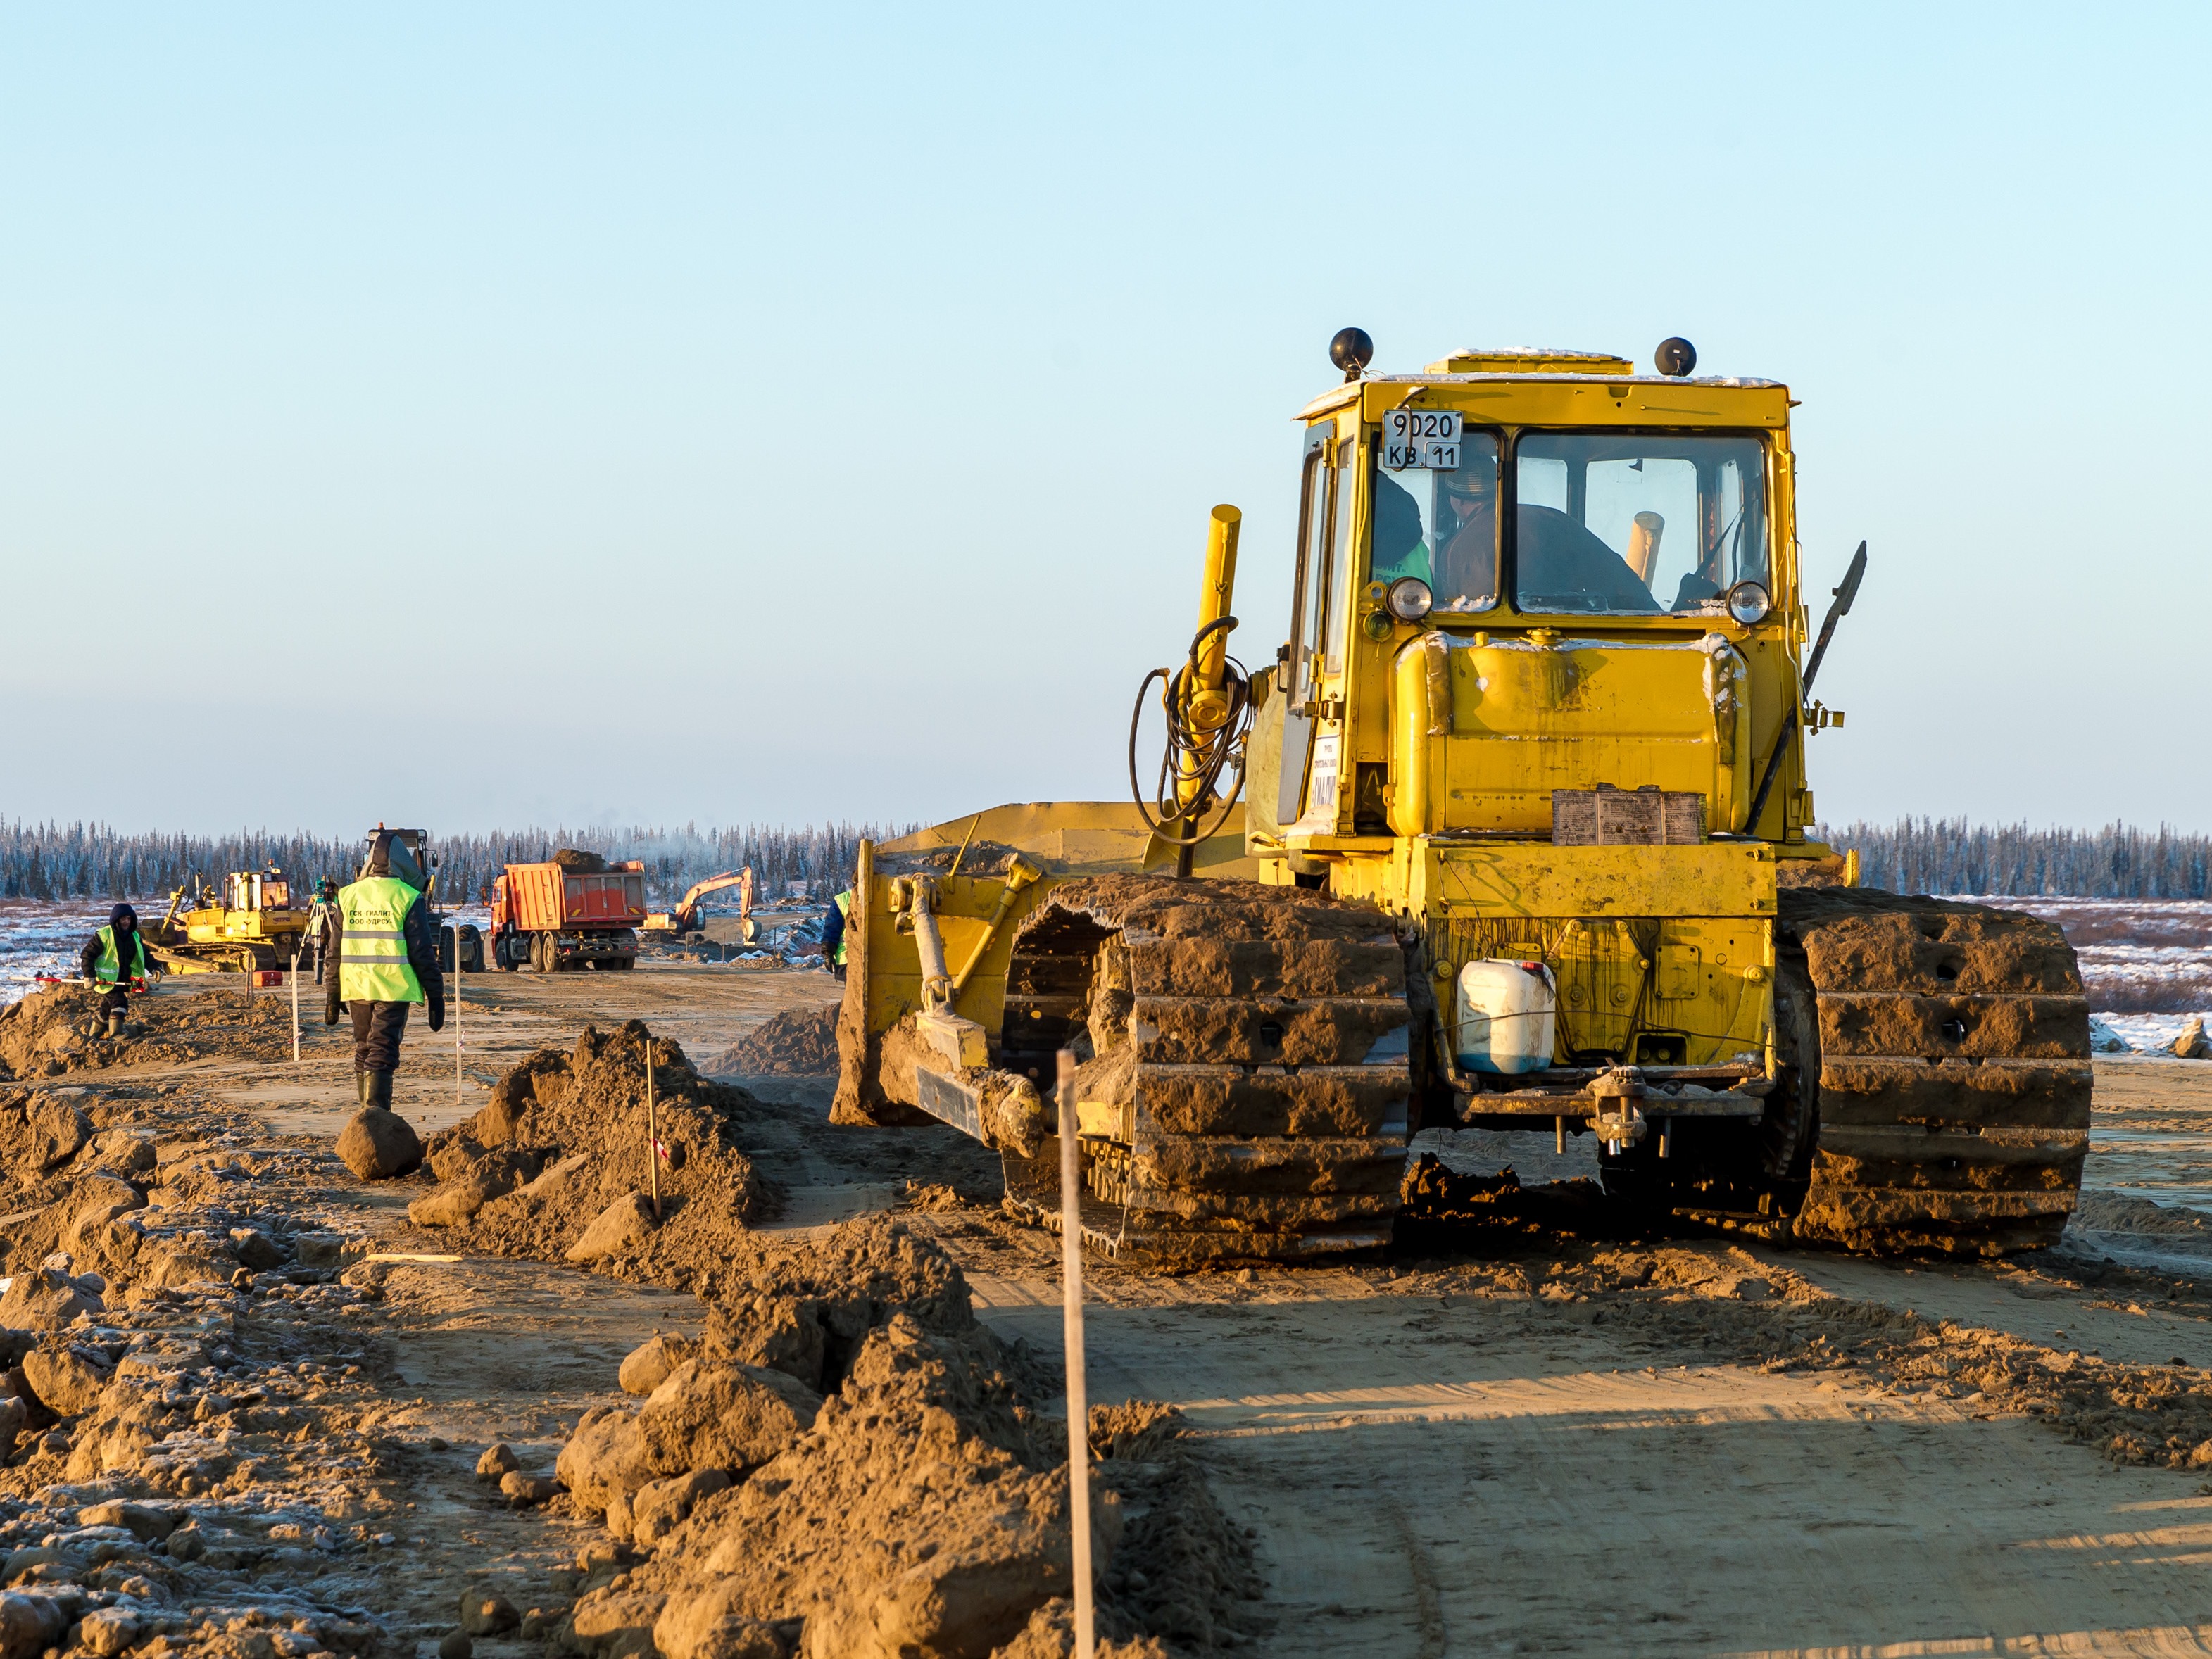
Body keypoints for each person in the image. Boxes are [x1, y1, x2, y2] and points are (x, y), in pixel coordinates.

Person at [322, 831, 444, 1111]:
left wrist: (332, 993)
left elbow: (334, 950)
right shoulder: (408, 897)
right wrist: (436, 995)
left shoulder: (349, 895)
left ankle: (366, 1117)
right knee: (381, 1051)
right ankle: (376, 1119)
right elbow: (422, 953)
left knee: (364, 1048)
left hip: (357, 988)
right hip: (392, 987)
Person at [80, 902, 160, 1038]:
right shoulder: (104, 935)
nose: (126, 922)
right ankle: (117, 1034)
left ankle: (93, 1035)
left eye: (129, 919)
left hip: (123, 980)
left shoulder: (134, 937)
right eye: (123, 919)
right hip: (107, 981)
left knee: (107, 1008)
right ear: (116, 919)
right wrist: (89, 975)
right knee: (120, 1003)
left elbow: (144, 955)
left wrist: (155, 968)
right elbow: (87, 955)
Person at [821, 882, 851, 979]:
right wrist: (828, 953)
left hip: (848, 960)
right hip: (849, 960)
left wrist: (828, 954)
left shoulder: (842, 900)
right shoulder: (841, 900)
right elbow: (832, 930)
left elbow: (831, 930)